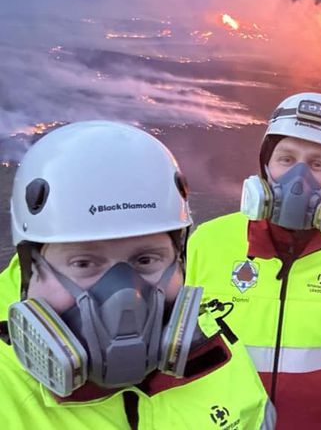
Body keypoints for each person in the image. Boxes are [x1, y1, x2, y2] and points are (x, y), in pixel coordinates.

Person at [0, 121, 274, 429]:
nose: (126, 297)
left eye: (146, 260)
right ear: (30, 270)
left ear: (181, 262)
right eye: (84, 264)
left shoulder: (220, 354)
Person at [185, 92, 321, 430]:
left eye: (317, 164)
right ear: (265, 168)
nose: (299, 177)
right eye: (286, 159)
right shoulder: (208, 242)